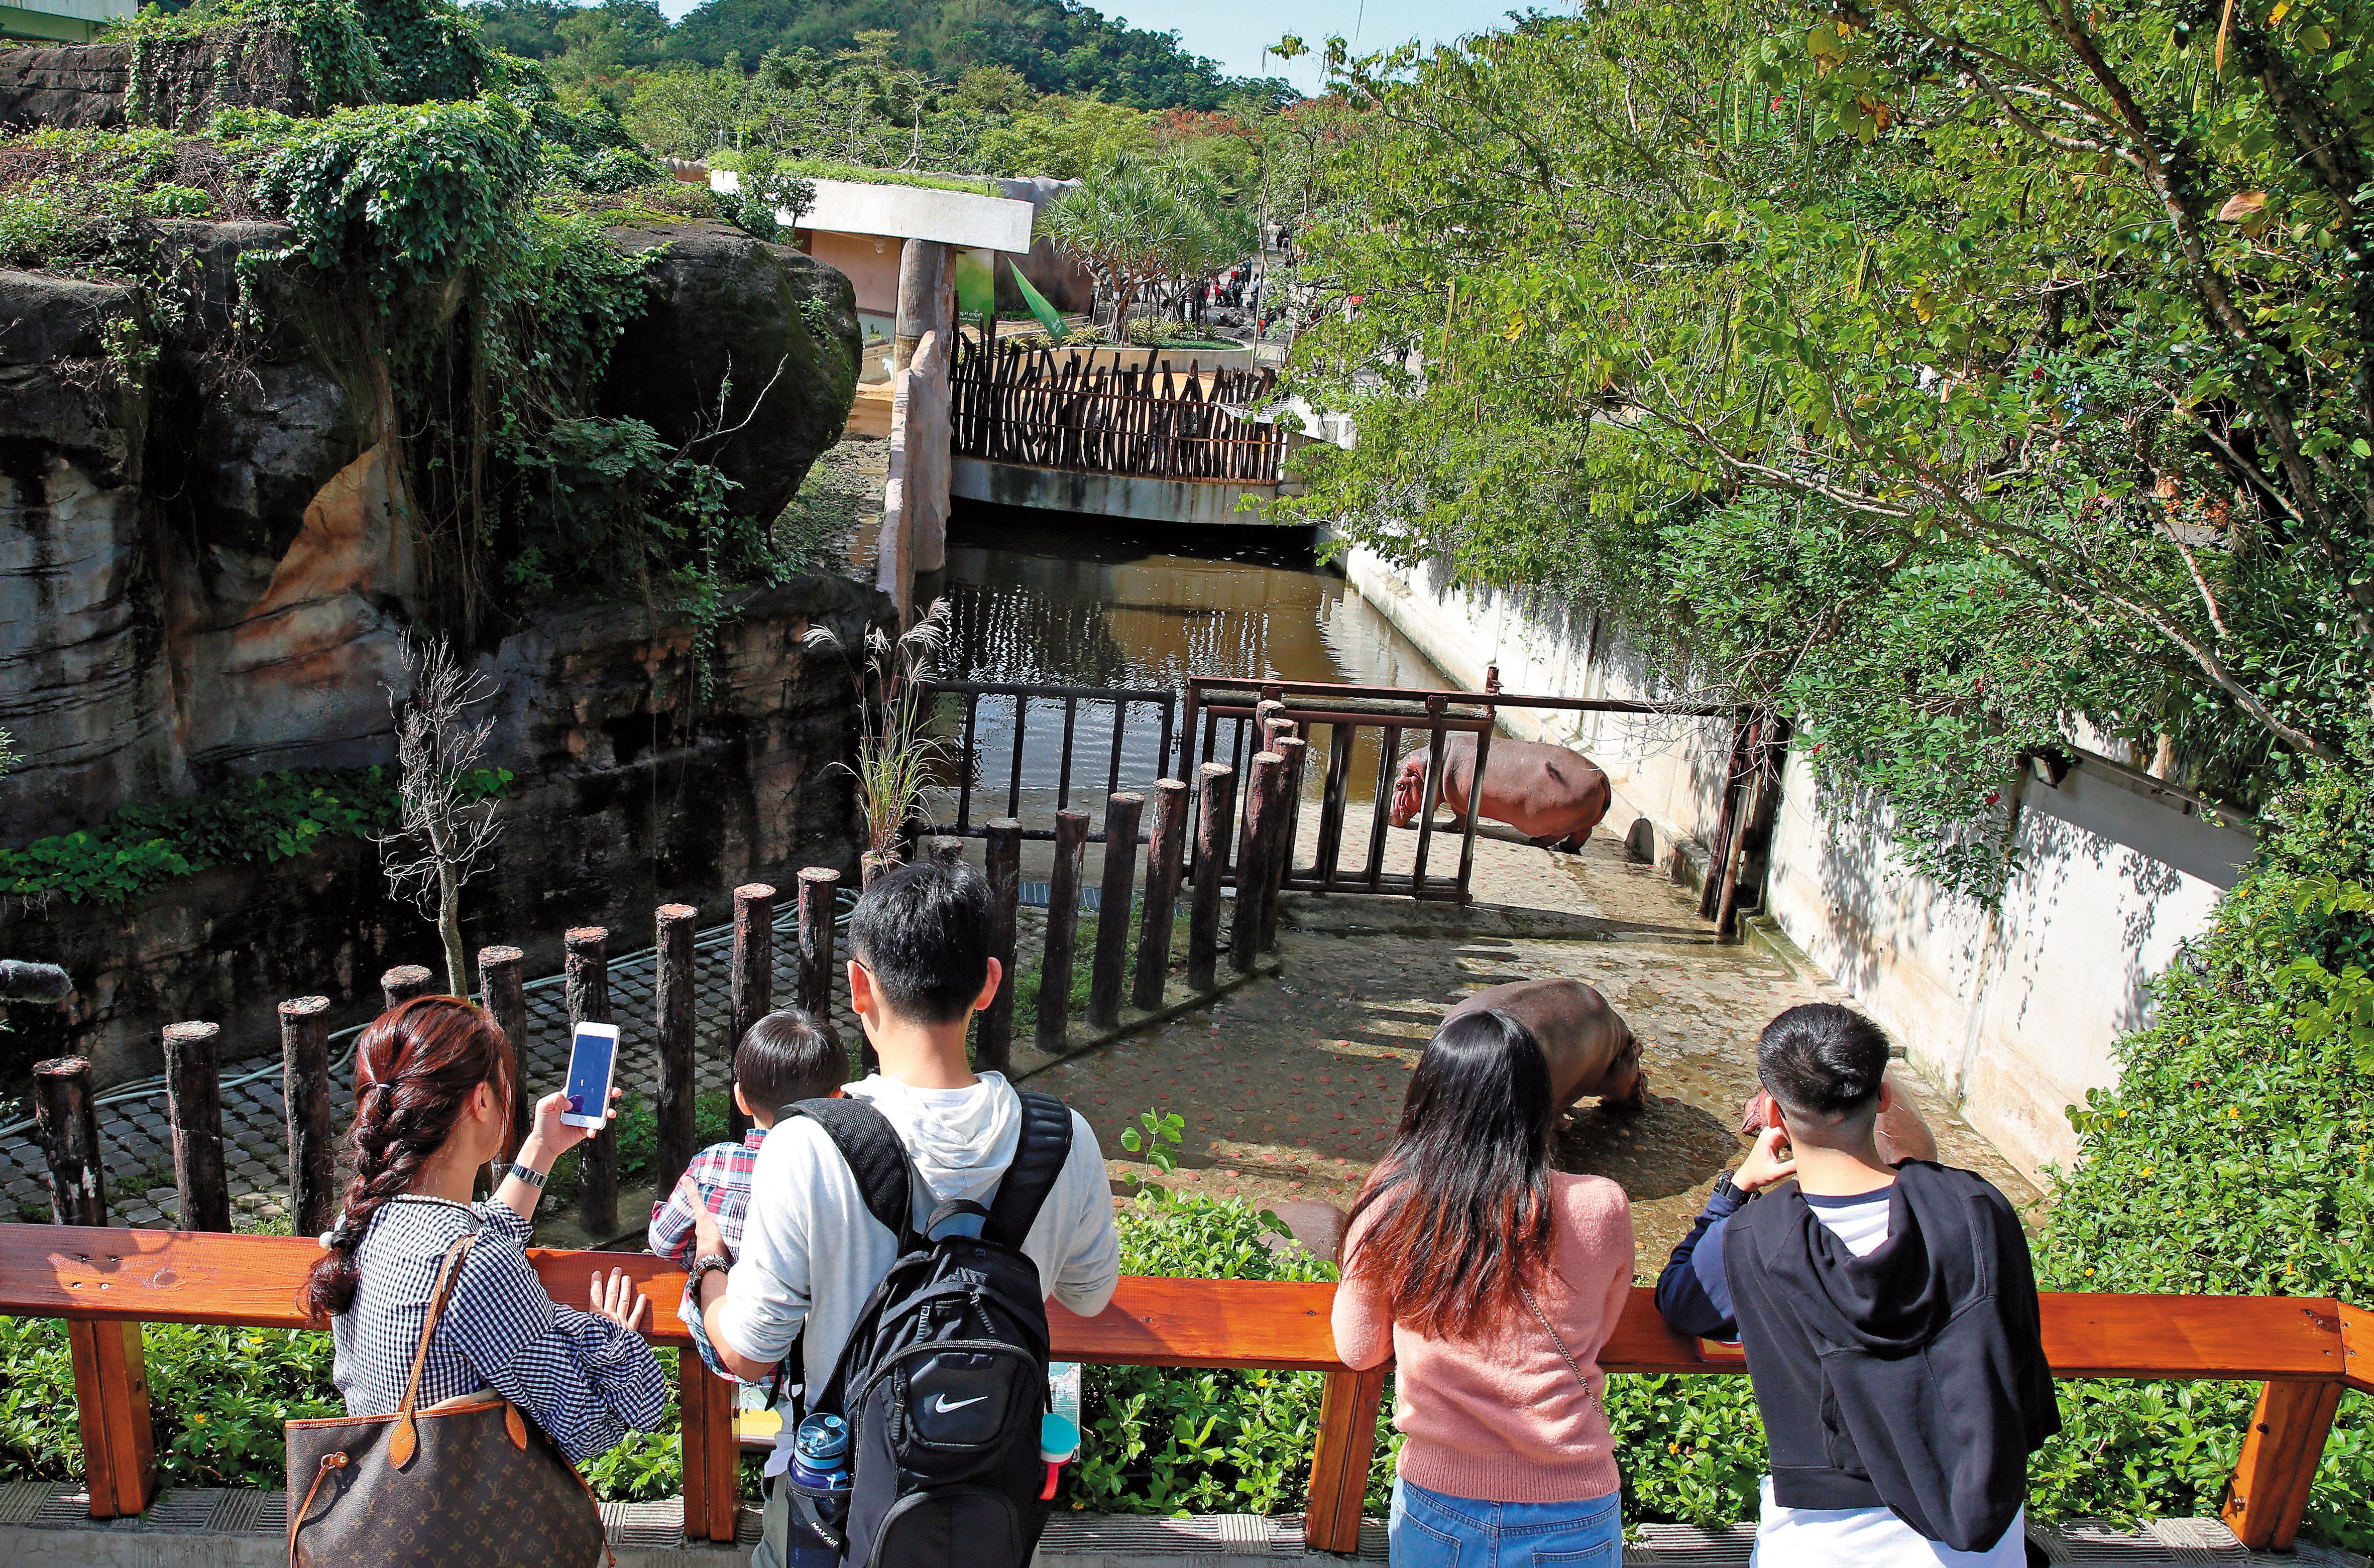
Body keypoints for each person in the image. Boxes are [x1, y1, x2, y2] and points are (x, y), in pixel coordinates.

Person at [688, 860, 1120, 1566]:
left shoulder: (805, 1142)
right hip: (989, 1509)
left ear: (858, 987)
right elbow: (1089, 1293)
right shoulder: (1062, 1137)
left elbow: (747, 1350)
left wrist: (710, 1265)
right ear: (987, 981)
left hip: (836, 1503)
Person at [1654, 1004, 2057, 1568]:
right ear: (1883, 1097)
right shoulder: (1973, 1208)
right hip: (1981, 1538)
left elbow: (1681, 1300)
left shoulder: (1753, 1237)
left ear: (1772, 1112)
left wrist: (1735, 1188)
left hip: (1820, 1544)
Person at [301, 996, 667, 1465]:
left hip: (389, 1502)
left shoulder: (364, 1220)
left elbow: (471, 1239)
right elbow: (591, 1428)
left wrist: (541, 1149)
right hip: (470, 1524)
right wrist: (611, 1336)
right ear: (481, 1099)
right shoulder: (477, 1264)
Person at [1332, 1009, 1635, 1566]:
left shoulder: (1391, 1203)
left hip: (1439, 1498)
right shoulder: (1601, 1204)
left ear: (1426, 1098)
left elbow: (1358, 1350)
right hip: (1573, 1500)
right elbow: (1601, 1329)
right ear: (1542, 1101)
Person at [648, 1007, 845, 1382]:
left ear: (741, 1098)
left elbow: (662, 1242)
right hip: (816, 1359)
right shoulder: (839, 1172)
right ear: (836, 1098)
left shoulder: (713, 1164)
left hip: (728, 1350)